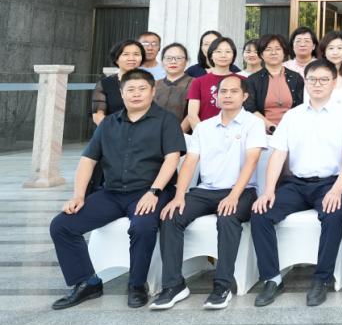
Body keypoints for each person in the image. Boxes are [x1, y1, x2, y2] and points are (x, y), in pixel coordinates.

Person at [49, 69, 186, 310]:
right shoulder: (108, 123)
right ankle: (87, 282)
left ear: (152, 91)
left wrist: (154, 192)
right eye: (130, 89)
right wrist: (78, 195)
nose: (136, 94)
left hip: (150, 191)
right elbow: (88, 160)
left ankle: (137, 284)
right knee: (62, 225)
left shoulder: (166, 121)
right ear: (122, 94)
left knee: (143, 226)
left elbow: (172, 159)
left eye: (142, 89)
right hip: (111, 193)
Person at [249, 60, 342, 307]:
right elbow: (278, 155)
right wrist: (268, 190)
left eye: (324, 80)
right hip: (296, 184)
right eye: (312, 79)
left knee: (332, 216)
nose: (317, 84)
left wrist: (337, 189)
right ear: (306, 82)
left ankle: (322, 279)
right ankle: (272, 278)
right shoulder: (293, 116)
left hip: (331, 183)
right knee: (260, 213)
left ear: (334, 83)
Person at [151, 75, 265, 310]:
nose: (227, 95)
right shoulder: (204, 127)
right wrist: (179, 196)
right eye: (223, 91)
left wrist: (233, 195)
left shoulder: (253, 124)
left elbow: (252, 161)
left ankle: (222, 285)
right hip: (205, 190)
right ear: (216, 96)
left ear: (244, 96)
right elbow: (190, 163)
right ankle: (173, 285)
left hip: (242, 191)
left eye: (234, 91)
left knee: (227, 217)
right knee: (171, 216)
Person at [243, 34, 305, 134]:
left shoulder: (296, 78)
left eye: (278, 49)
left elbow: (303, 106)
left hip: (293, 131)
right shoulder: (253, 80)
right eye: (268, 49)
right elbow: (249, 108)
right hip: (262, 132)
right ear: (261, 54)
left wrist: (288, 130)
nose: (273, 53)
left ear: (284, 52)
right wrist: (271, 127)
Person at [186, 37, 244, 129]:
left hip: (237, 133)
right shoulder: (198, 82)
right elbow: (192, 115)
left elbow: (248, 111)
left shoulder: (243, 80)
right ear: (211, 55)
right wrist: (203, 135)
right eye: (218, 51)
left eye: (228, 52)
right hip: (206, 133)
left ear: (233, 55)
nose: (223, 55)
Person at [92, 39, 143, 125]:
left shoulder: (150, 82)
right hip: (113, 130)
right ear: (116, 59)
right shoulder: (105, 84)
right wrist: (116, 130)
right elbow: (98, 115)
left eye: (136, 54)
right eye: (126, 54)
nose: (132, 58)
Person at [153, 43, 194, 132]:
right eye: (168, 58)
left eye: (178, 58)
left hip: (183, 135)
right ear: (162, 62)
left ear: (186, 61)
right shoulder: (154, 85)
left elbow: (192, 114)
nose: (173, 61)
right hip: (153, 132)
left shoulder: (195, 83)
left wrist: (177, 134)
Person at [312, 31, 342, 108]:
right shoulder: (313, 74)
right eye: (331, 48)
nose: (335, 52)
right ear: (324, 52)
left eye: (339, 48)